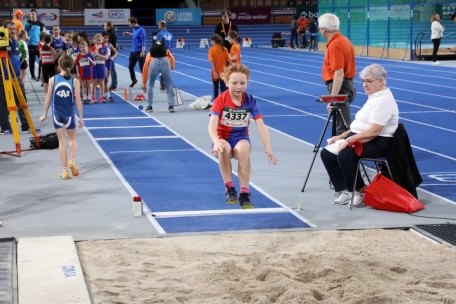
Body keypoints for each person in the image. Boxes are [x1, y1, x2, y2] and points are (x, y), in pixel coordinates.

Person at [320, 64, 399, 206]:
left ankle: (360, 191)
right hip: (363, 137)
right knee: (327, 153)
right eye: (363, 81)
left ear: (380, 81)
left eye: (369, 81)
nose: (365, 85)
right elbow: (358, 125)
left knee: (345, 154)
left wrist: (348, 140)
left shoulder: (383, 100)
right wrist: (340, 137)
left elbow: (374, 132)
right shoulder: (373, 96)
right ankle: (347, 190)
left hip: (378, 143)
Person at [208, 64, 277, 210]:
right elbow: (211, 125)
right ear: (226, 82)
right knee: (224, 149)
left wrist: (268, 147)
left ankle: (244, 194)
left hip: (240, 138)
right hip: (222, 138)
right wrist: (216, 141)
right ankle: (229, 188)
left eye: (242, 83)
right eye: (234, 83)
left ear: (247, 83)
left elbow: (260, 125)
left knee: (244, 150)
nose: (238, 87)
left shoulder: (250, 100)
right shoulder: (220, 100)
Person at [39, 55, 84, 180]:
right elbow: (78, 101)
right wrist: (80, 118)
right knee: (72, 140)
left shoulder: (53, 79)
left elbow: (48, 99)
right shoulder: (75, 81)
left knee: (61, 142)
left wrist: (44, 114)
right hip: (69, 115)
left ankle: (65, 171)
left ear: (59, 65)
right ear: (72, 66)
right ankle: (72, 160)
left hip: (56, 115)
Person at [318, 13, 356, 136]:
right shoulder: (345, 40)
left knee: (342, 129)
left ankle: (342, 154)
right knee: (340, 125)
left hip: (340, 87)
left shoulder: (335, 45)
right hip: (347, 85)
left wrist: (333, 98)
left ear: (324, 30)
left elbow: (339, 72)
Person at [0, 21, 39, 134]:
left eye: (13, 28)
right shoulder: (2, 43)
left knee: (22, 100)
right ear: (4, 30)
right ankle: (5, 127)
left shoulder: (15, 42)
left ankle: (26, 125)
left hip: (16, 76)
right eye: (10, 29)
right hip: (4, 77)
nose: (12, 31)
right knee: (4, 102)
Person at [141, 40, 175, 113]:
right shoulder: (166, 51)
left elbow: (145, 69)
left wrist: (144, 83)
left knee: (150, 85)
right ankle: (171, 106)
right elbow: (172, 59)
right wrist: (171, 67)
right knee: (168, 85)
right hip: (165, 62)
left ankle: (149, 106)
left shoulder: (150, 53)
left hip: (153, 64)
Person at [123, 17, 146, 88]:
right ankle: (134, 80)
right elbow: (135, 35)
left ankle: (144, 83)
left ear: (133, 23)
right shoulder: (134, 29)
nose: (129, 25)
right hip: (133, 51)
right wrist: (129, 33)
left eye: (129, 24)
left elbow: (143, 41)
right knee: (130, 67)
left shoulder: (141, 30)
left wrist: (143, 51)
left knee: (142, 69)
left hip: (140, 52)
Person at [208, 34, 231, 101]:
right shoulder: (224, 49)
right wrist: (230, 69)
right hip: (223, 71)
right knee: (223, 88)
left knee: (215, 88)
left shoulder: (211, 50)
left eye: (211, 41)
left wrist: (214, 72)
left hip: (215, 71)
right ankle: (224, 101)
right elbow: (229, 61)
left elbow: (212, 61)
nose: (211, 43)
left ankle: (216, 102)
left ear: (214, 41)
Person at [24, 9, 45, 81]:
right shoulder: (27, 23)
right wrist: (27, 37)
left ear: (36, 14)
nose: (32, 15)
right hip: (31, 44)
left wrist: (42, 42)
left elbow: (42, 34)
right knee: (32, 61)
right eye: (31, 14)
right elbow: (25, 32)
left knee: (41, 60)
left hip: (39, 45)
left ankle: (40, 75)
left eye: (33, 14)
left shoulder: (40, 24)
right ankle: (33, 75)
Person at [90, 34, 109, 103]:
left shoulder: (104, 48)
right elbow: (92, 55)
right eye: (97, 40)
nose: (98, 41)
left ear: (102, 41)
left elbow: (106, 58)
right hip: (94, 67)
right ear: (94, 41)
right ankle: (93, 98)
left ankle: (101, 97)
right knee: (94, 83)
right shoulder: (92, 48)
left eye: (99, 40)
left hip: (102, 67)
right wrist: (97, 49)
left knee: (102, 83)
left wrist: (98, 54)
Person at [156, 20, 173, 93]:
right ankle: (168, 85)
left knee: (161, 70)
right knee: (167, 70)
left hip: (162, 53)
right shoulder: (170, 34)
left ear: (160, 26)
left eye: (158, 25)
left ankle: (163, 86)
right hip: (169, 53)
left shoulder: (159, 34)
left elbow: (158, 44)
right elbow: (171, 44)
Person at [102, 31, 117, 102]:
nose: (106, 39)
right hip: (102, 63)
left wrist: (112, 57)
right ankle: (107, 95)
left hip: (109, 62)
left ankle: (106, 94)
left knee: (106, 79)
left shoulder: (109, 44)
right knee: (105, 79)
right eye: (105, 38)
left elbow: (116, 53)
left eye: (107, 38)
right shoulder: (100, 45)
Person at [104, 22, 118, 91]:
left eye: (105, 26)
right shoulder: (107, 32)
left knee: (112, 69)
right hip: (105, 52)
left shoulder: (112, 33)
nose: (104, 27)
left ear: (109, 26)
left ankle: (114, 85)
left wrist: (110, 49)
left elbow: (114, 44)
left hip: (110, 53)